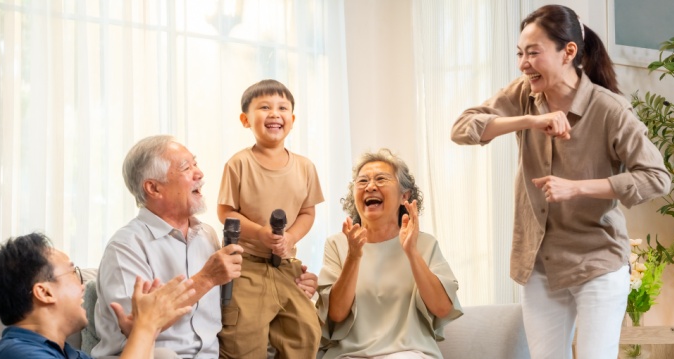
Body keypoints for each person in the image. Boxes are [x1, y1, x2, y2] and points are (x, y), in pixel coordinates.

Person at [451, 5, 671, 358]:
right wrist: (530, 121)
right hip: (541, 264)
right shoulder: (523, 95)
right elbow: (463, 130)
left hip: (597, 261)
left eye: (533, 53)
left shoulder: (609, 110)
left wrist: (578, 187)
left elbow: (657, 178)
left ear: (568, 52)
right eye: (520, 53)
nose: (523, 63)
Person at [93, 135, 320, 359]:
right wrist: (206, 279)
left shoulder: (207, 236)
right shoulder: (126, 247)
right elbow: (135, 329)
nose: (199, 173)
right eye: (186, 168)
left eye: (195, 163)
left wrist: (287, 284)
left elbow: (241, 300)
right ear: (153, 188)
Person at [317, 149, 463, 359]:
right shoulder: (338, 244)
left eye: (381, 179)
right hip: (349, 355)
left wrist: (411, 252)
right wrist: (354, 257)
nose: (370, 186)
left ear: (404, 195)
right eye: (362, 181)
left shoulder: (424, 243)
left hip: (409, 353)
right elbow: (337, 314)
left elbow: (442, 308)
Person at [217, 79, 323, 358]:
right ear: (245, 120)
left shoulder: (305, 167)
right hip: (247, 266)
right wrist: (260, 234)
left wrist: (290, 237)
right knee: (243, 338)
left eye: (282, 108)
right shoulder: (239, 163)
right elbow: (225, 212)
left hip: (287, 266)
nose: (275, 113)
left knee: (306, 332)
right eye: (264, 107)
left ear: (292, 119)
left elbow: (307, 212)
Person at [0, 232, 195, 359]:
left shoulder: (69, 354)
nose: (82, 286)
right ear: (44, 292)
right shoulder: (18, 354)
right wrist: (145, 327)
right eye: (73, 273)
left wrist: (145, 333)